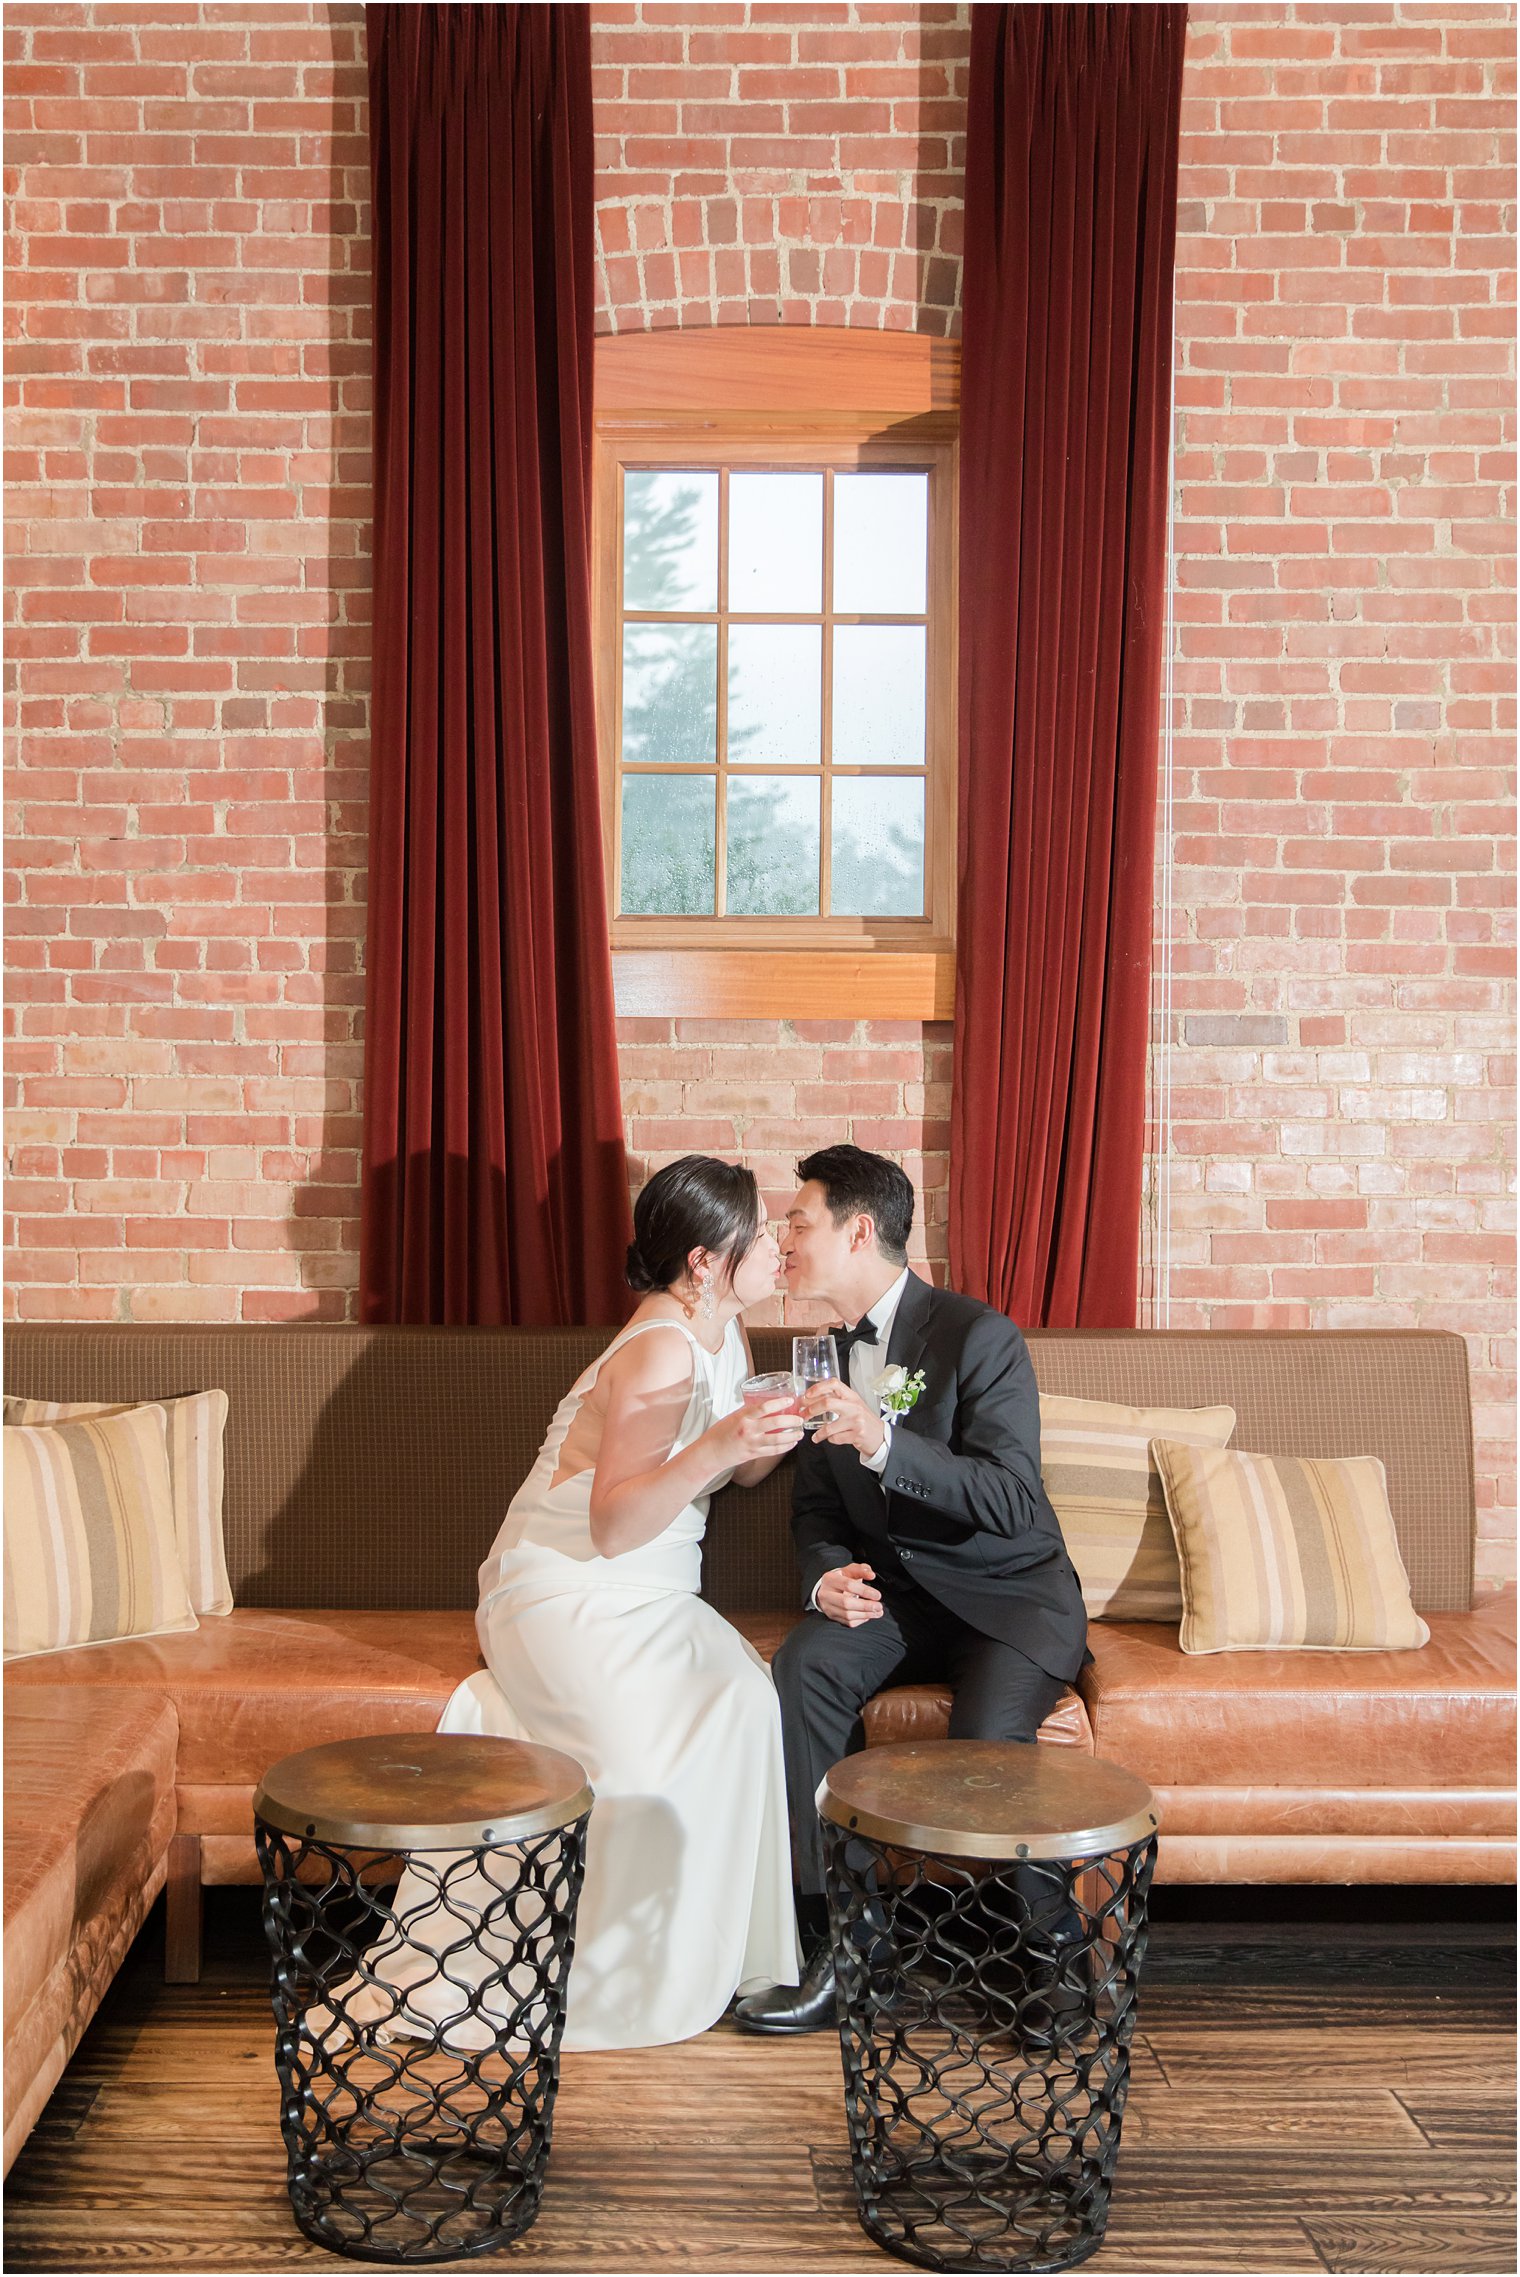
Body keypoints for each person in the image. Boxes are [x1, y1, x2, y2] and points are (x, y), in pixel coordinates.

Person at [330, 1155, 804, 2053]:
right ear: (705, 1261)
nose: (777, 1242)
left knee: (746, 1700)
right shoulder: (660, 1344)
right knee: (631, 1759)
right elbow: (617, 1521)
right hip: (569, 1583)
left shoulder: (726, 1331)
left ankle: (733, 1960)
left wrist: (780, 1425)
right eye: (762, 1230)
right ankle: (598, 1972)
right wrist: (721, 1441)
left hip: (658, 1597)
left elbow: (739, 1469)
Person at [734, 1143, 1089, 2035]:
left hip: (1008, 1596)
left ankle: (1054, 1958)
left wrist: (886, 1445)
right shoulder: (817, 1352)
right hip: (894, 1598)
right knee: (806, 1669)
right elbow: (815, 1508)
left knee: (985, 1738)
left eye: (798, 1220)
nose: (783, 1236)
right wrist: (825, 1581)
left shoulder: (979, 1335)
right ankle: (849, 1953)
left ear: (859, 1231)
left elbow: (1012, 1499)